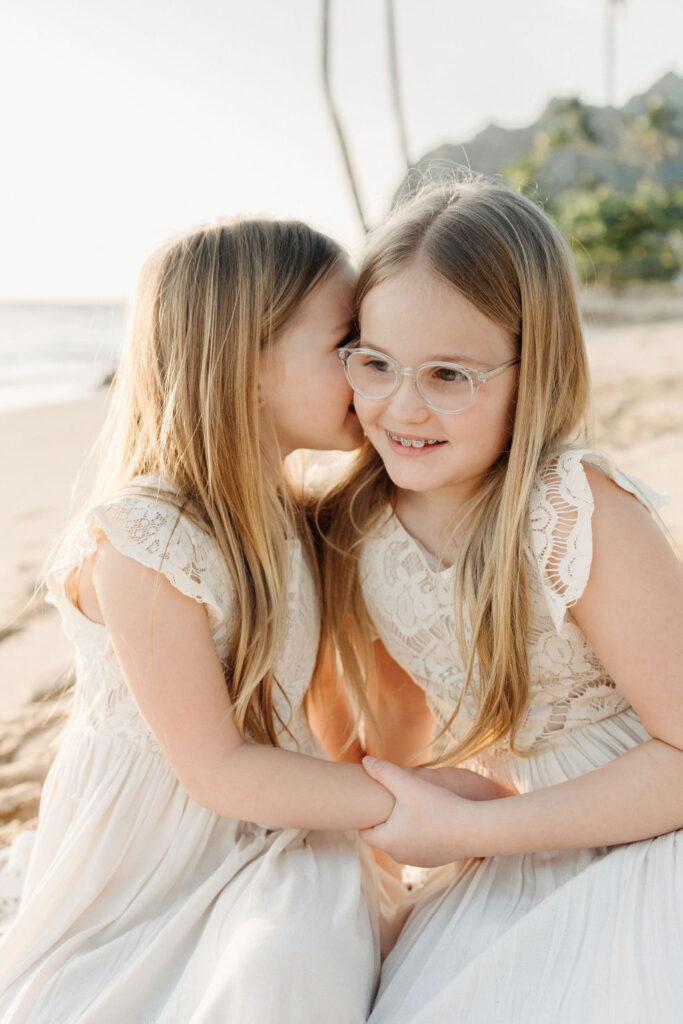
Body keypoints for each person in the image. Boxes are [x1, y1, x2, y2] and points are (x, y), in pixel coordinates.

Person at [0, 217, 399, 1024]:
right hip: (146, 862)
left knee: (298, 954)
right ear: (248, 367)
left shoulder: (295, 517)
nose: (366, 369)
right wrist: (406, 804)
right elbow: (215, 771)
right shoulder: (147, 541)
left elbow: (313, 711)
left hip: (267, 830)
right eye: (347, 344)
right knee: (270, 978)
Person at [316, 179, 683, 1022]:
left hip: (644, 832)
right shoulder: (361, 526)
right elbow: (395, 731)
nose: (402, 407)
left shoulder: (571, 509)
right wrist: (423, 794)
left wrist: (471, 834)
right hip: (511, 847)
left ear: (534, 367)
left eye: (449, 374)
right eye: (374, 363)